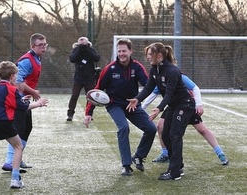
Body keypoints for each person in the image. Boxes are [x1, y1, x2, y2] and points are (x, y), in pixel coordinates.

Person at [84, 38, 157, 176]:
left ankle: (139, 156)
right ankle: (126, 165)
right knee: (123, 128)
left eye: (124, 51)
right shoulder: (109, 69)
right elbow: (96, 91)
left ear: (130, 51)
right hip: (115, 105)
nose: (121, 54)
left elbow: (148, 84)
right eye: (119, 51)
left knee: (151, 129)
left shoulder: (137, 67)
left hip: (132, 104)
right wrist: (89, 113)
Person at [127, 42, 196, 180]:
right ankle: (178, 165)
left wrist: (159, 108)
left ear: (159, 55)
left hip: (185, 105)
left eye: (150, 54)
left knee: (175, 135)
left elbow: (169, 94)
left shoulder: (172, 71)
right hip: (174, 105)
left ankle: (175, 172)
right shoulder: (154, 69)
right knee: (165, 135)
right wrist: (137, 99)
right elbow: (148, 88)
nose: (148, 57)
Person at [142, 76, 229, 165]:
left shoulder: (177, 75)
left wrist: (199, 105)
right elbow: (154, 93)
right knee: (160, 126)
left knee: (202, 129)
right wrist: (141, 109)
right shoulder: (161, 78)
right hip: (173, 106)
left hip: (186, 105)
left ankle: (220, 153)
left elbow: (195, 88)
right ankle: (165, 154)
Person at [2, 33, 47, 171]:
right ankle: (9, 162)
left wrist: (31, 91)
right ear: (32, 46)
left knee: (27, 128)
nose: (44, 47)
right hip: (18, 100)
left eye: (45, 44)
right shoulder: (27, 60)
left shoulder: (36, 58)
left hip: (24, 99)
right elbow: (18, 81)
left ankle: (17, 158)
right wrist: (33, 92)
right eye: (40, 45)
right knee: (18, 130)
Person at [67, 37, 100, 121]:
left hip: (90, 77)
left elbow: (97, 58)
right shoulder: (76, 50)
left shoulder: (91, 49)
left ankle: (89, 114)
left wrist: (87, 49)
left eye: (84, 44)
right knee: (74, 95)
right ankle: (70, 114)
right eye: (80, 45)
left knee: (90, 97)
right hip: (78, 77)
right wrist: (79, 49)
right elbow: (72, 59)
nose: (82, 46)